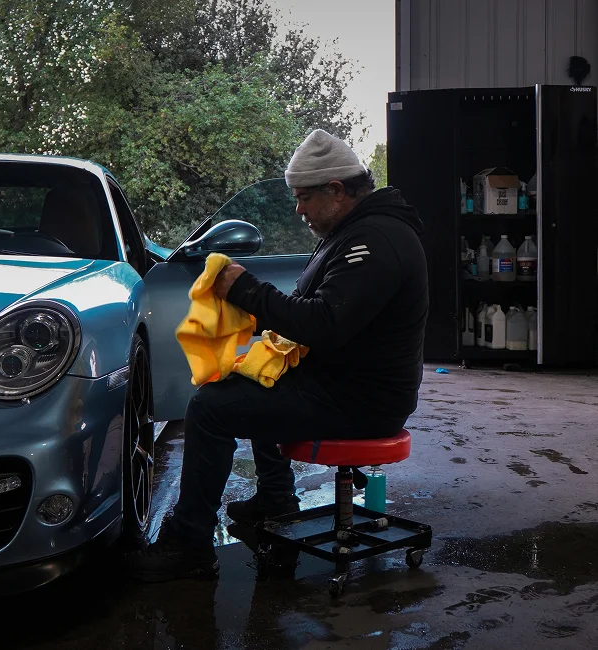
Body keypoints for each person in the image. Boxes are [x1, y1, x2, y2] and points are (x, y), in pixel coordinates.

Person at [131, 129, 429, 583]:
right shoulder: (353, 231)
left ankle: (188, 544)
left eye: (304, 198)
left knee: (210, 410)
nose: (299, 210)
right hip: (341, 386)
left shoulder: (375, 241)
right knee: (250, 377)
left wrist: (248, 291)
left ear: (335, 190)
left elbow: (325, 324)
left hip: (361, 403)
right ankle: (275, 499)